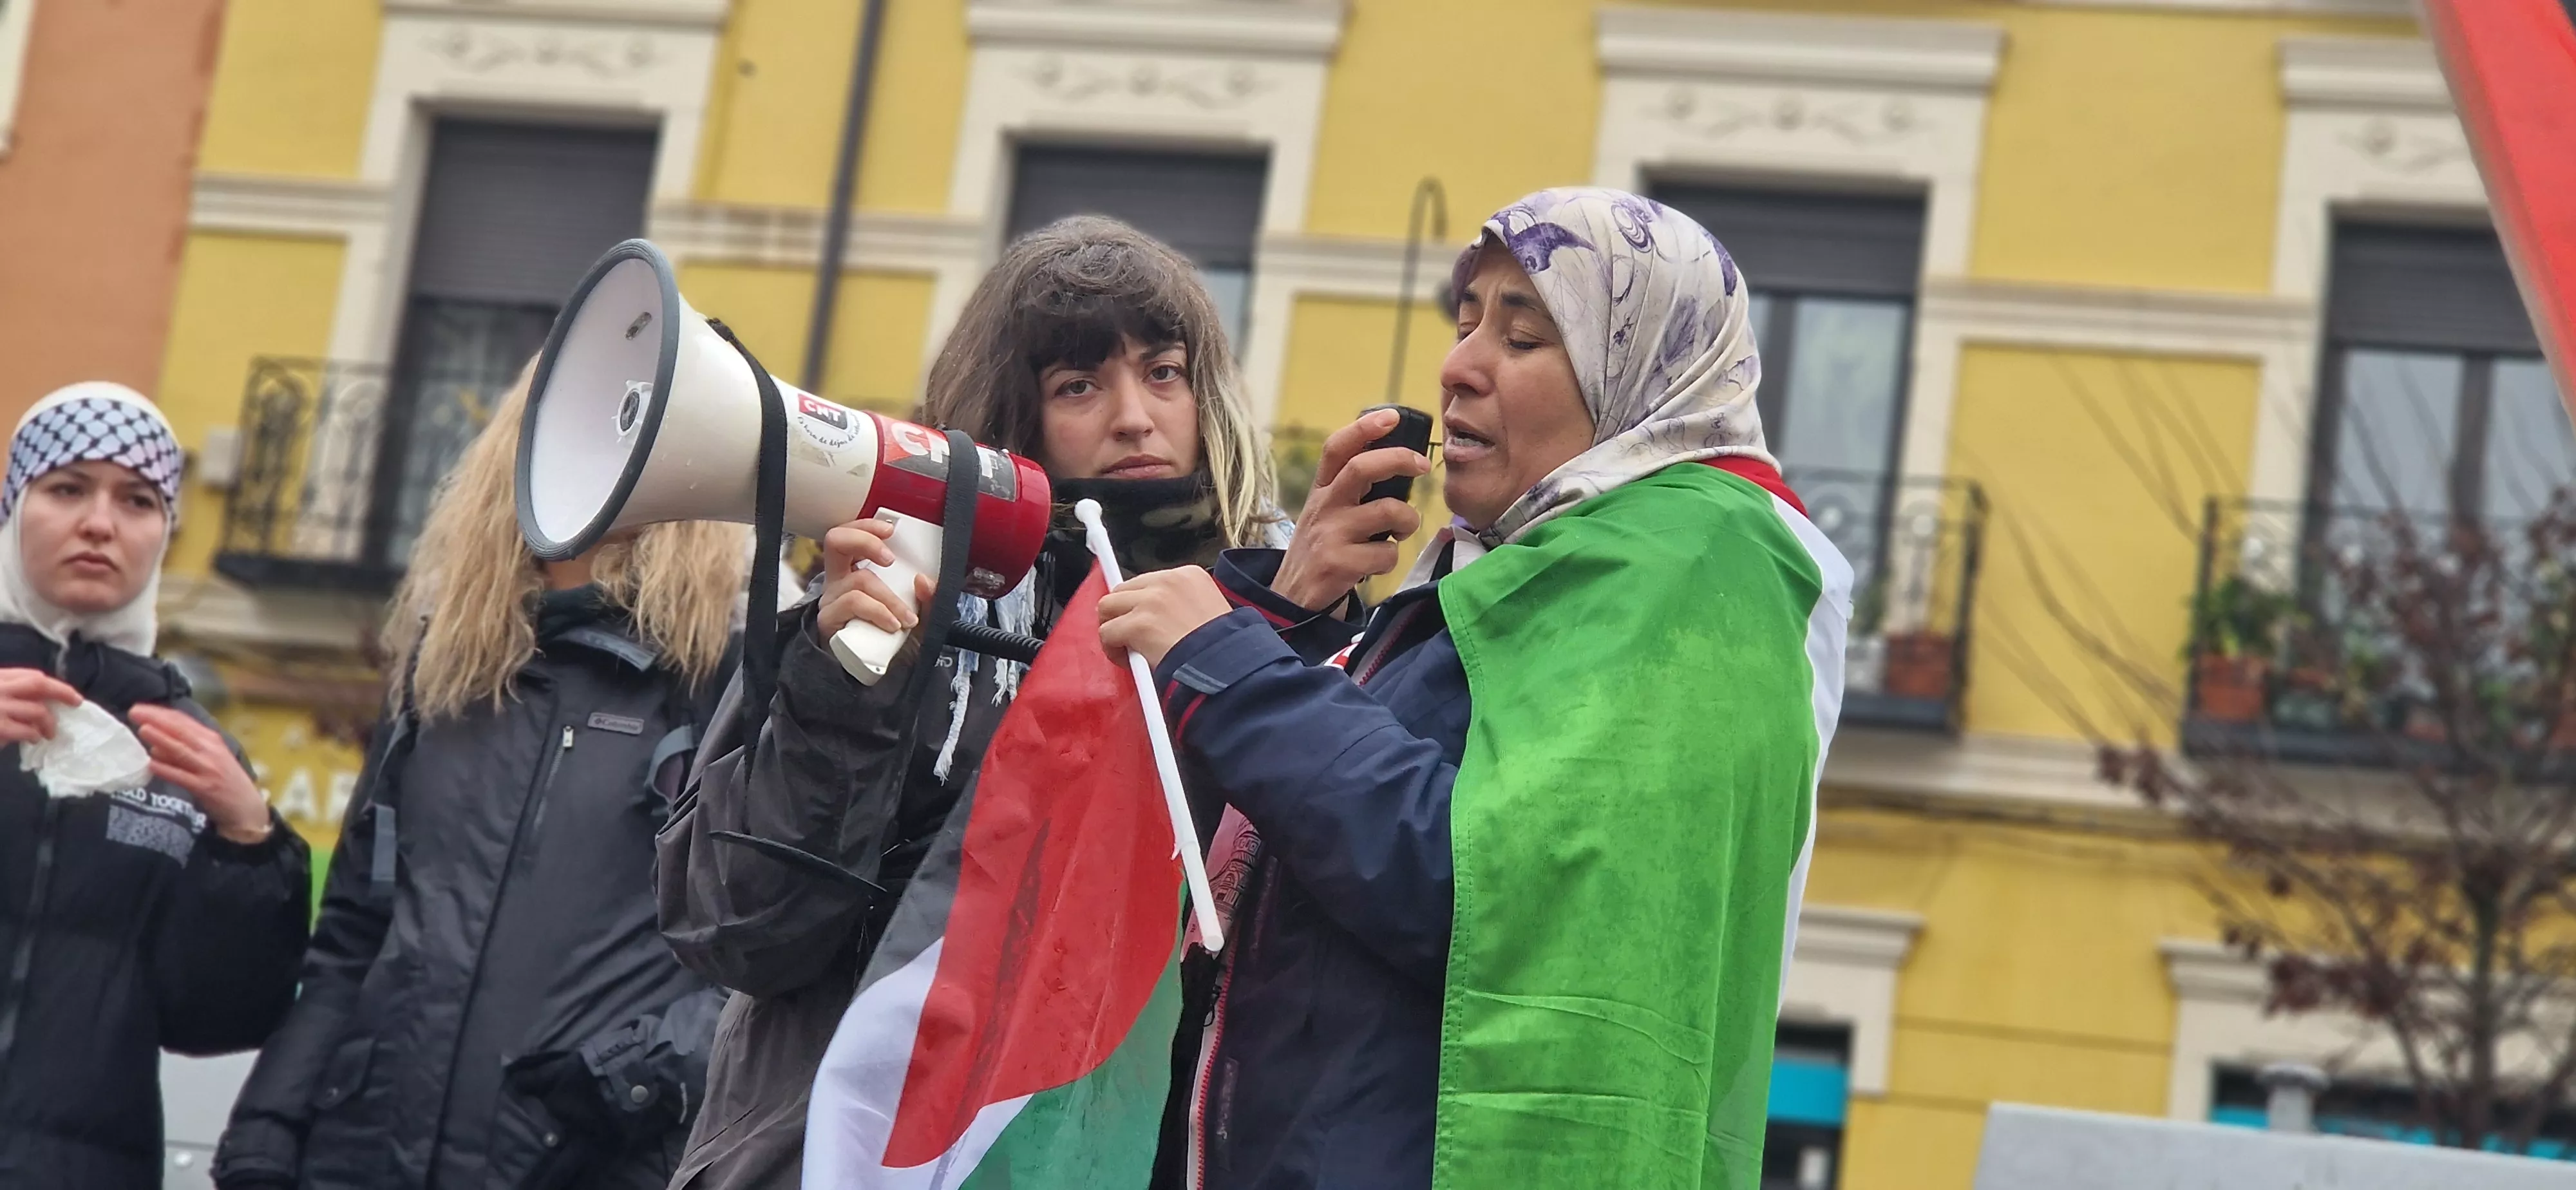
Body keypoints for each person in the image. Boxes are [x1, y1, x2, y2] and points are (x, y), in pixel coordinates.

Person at [1102, 187, 1853, 1189]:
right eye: (1464, 325)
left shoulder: (1697, 559)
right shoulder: (1520, 567)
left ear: (1633, 367)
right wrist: (1295, 603)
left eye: (1526, 336)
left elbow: (1497, 891)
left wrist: (1230, 666)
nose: (1459, 365)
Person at [657, 214, 1325, 1190]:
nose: (1137, 416)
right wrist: (843, 689)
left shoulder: (1268, 611)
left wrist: (1286, 627)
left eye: (1166, 372)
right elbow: (733, 928)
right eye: (1080, 385)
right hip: (842, 1150)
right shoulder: (889, 593)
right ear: (1012, 416)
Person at [213, 372, 751, 1190]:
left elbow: (771, 961)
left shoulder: (733, 686)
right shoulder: (448, 670)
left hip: (585, 1161)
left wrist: (631, 1079)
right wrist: (266, 1134)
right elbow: (354, 936)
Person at [0, 382, 310, 1189]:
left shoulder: (191, 751)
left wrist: (252, 844)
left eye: (138, 500)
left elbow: (215, 1019)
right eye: (67, 489)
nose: (100, 523)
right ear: (14, 508)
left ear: (165, 532)